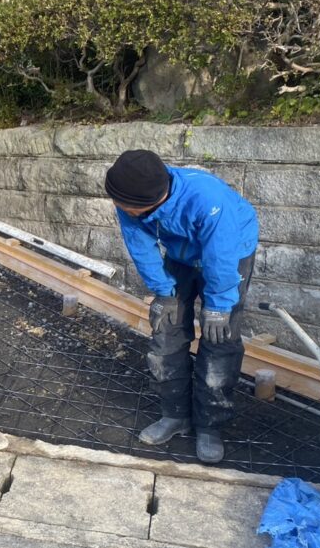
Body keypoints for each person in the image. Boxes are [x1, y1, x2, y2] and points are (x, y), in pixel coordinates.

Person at [105, 150, 259, 464]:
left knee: (220, 338)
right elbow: (141, 248)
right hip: (181, 256)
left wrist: (219, 305)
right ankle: (175, 415)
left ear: (153, 200)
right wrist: (164, 293)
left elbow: (221, 254)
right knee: (166, 331)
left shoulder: (207, 199)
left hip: (230, 252)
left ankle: (210, 425)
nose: (120, 210)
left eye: (126, 207)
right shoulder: (128, 197)